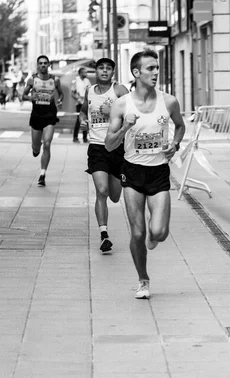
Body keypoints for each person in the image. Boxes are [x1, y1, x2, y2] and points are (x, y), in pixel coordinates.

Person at [105, 49, 185, 299]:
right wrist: (126, 126)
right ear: (136, 72)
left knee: (159, 232)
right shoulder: (122, 104)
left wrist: (175, 144)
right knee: (137, 233)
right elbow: (109, 144)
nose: (156, 72)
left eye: (157, 68)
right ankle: (143, 280)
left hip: (159, 172)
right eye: (150, 68)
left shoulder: (169, 101)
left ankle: (153, 237)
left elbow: (180, 126)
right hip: (132, 172)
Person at [80, 58, 129, 253]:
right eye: (101, 68)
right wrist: (83, 121)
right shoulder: (89, 91)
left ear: (113, 73)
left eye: (109, 68)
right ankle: (104, 235)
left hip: (117, 148)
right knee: (101, 191)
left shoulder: (120, 91)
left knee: (115, 196)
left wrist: (113, 112)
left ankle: (116, 182)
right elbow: (84, 112)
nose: (105, 71)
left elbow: (134, 115)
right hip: (97, 148)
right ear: (96, 71)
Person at [22, 55, 64, 186]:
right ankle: (35, 148)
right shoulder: (32, 80)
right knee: (36, 147)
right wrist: (31, 98)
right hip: (36, 115)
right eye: (41, 63)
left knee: (47, 144)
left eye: (45, 63)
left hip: (50, 115)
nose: (43, 65)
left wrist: (60, 99)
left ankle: (42, 174)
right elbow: (23, 96)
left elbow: (61, 93)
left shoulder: (55, 80)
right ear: (37, 65)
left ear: (49, 65)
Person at [71, 67, 91, 143]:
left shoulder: (87, 81)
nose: (86, 74)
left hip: (86, 103)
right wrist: (78, 99)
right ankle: (75, 137)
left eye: (86, 72)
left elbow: (90, 91)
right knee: (79, 120)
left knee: (86, 120)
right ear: (80, 73)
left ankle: (85, 138)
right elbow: (72, 93)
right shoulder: (75, 80)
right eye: (84, 72)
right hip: (79, 103)